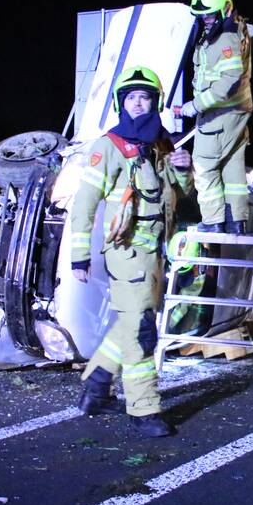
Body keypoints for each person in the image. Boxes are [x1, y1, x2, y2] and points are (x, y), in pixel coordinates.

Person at [70, 66, 193, 437]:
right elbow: (84, 205)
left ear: (154, 103)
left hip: (156, 254)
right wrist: (79, 256)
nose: (138, 104)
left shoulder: (162, 144)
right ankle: (143, 410)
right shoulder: (106, 147)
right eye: (131, 98)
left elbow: (180, 195)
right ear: (121, 104)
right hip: (126, 254)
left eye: (145, 98)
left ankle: (96, 383)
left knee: (131, 320)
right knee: (142, 329)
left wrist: (185, 170)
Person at [179, 0, 253, 234]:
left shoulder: (224, 37)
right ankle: (235, 220)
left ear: (225, 8)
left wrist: (196, 106)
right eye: (201, 15)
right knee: (232, 166)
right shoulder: (234, 28)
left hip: (220, 113)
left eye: (209, 14)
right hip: (236, 112)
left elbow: (230, 78)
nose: (205, 19)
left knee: (204, 165)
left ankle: (212, 222)